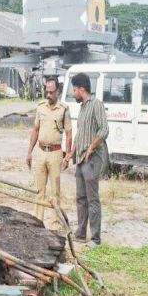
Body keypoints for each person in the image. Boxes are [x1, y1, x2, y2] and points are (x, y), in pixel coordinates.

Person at [64, 73, 109, 248]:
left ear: (81, 89)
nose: (73, 93)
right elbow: (79, 136)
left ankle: (96, 239)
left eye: (74, 90)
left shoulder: (96, 104)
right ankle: (81, 233)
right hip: (81, 159)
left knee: (92, 199)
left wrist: (91, 147)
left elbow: (104, 130)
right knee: (81, 198)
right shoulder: (82, 108)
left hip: (92, 159)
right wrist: (70, 154)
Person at [26, 78, 72, 230]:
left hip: (55, 153)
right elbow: (35, 130)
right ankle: (38, 222)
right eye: (47, 91)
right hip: (40, 152)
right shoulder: (41, 107)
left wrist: (67, 157)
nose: (49, 94)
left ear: (58, 92)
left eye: (52, 92)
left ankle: (53, 226)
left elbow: (69, 134)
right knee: (39, 190)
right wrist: (29, 152)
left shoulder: (64, 109)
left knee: (55, 192)